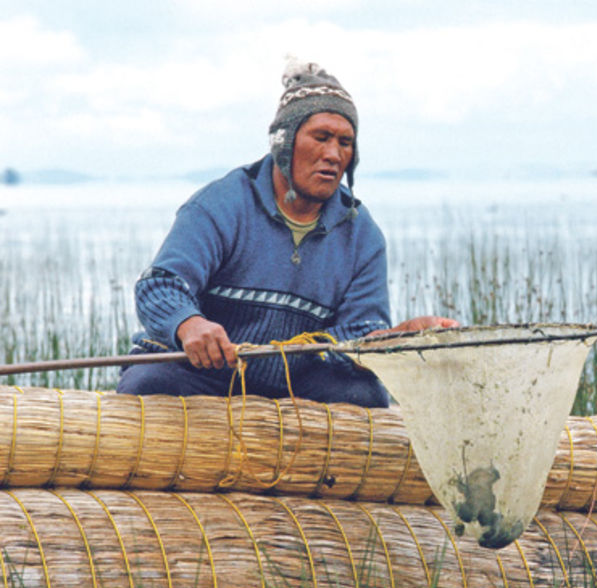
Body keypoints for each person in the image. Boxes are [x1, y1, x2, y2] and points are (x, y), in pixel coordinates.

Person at [117, 59, 457, 407]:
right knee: (149, 382)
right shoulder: (220, 205)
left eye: (345, 142)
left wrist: (399, 335)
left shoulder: (362, 236)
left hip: (294, 385)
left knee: (363, 395)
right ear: (284, 143)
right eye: (321, 138)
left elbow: (356, 335)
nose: (333, 154)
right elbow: (160, 284)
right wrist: (189, 325)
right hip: (203, 375)